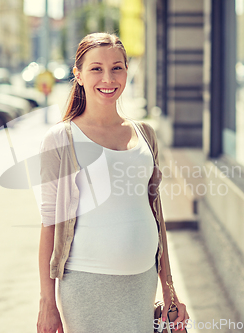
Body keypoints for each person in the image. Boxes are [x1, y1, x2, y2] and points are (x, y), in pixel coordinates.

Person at [36, 32, 189, 333]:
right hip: (87, 283)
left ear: (127, 71)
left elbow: (156, 216)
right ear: (78, 75)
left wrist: (168, 287)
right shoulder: (61, 139)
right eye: (96, 68)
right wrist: (47, 302)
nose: (108, 77)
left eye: (117, 67)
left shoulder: (145, 133)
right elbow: (49, 225)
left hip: (142, 280)